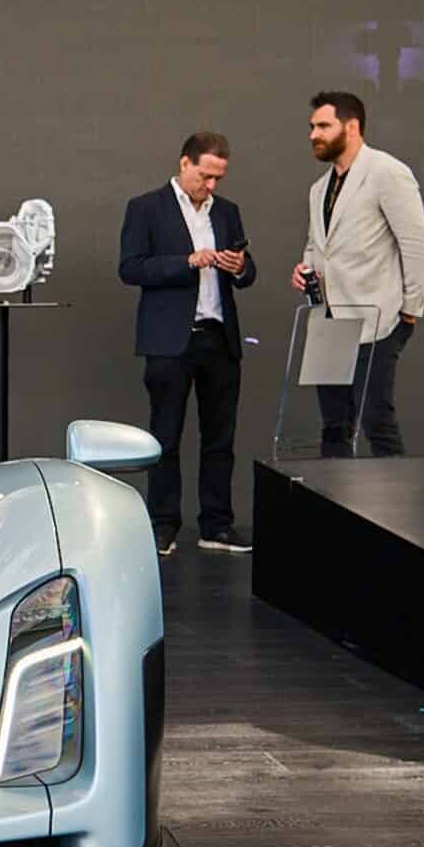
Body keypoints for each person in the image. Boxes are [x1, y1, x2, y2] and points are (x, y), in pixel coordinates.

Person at [118, 131, 257, 557]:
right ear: (184, 164)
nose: (210, 185)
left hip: (219, 338)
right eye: (205, 176)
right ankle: (162, 526)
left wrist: (240, 266)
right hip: (169, 340)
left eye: (218, 178)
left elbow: (248, 275)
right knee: (165, 438)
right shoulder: (146, 208)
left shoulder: (227, 212)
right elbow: (130, 268)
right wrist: (187, 262)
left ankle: (217, 525)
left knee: (221, 439)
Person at [291, 90, 424, 458]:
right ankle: (333, 497)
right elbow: (316, 244)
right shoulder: (318, 188)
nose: (313, 134)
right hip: (327, 320)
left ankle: (396, 498)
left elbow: (418, 245)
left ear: (351, 127)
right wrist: (305, 268)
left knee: (377, 423)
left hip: (376, 319)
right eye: (312, 127)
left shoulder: (387, 172)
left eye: (323, 126)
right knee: (334, 427)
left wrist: (410, 310)